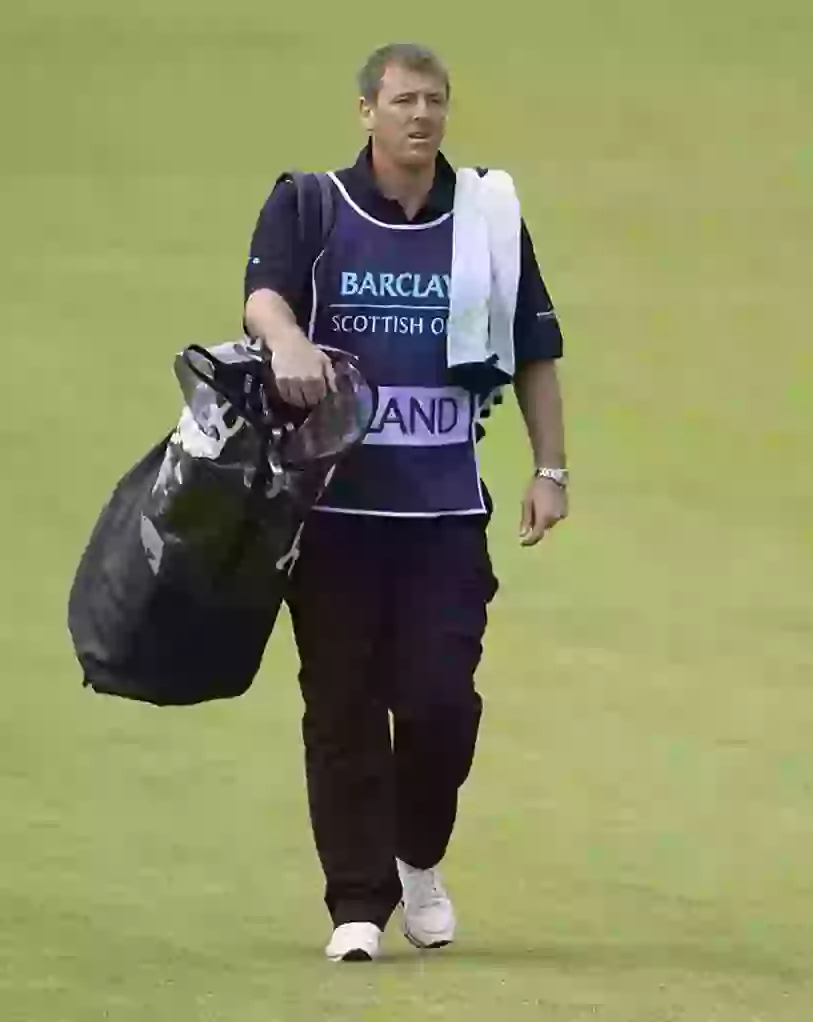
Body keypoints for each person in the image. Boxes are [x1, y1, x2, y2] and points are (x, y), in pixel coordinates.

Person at [241, 42, 570, 962]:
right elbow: (263, 296)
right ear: (366, 112)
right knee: (340, 707)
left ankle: (418, 856)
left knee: (438, 705)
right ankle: (356, 904)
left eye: (435, 101)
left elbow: (536, 345)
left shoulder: (488, 218)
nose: (421, 116)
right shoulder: (312, 204)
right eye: (402, 101)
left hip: (442, 520)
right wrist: (289, 341)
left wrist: (550, 469)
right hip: (333, 516)